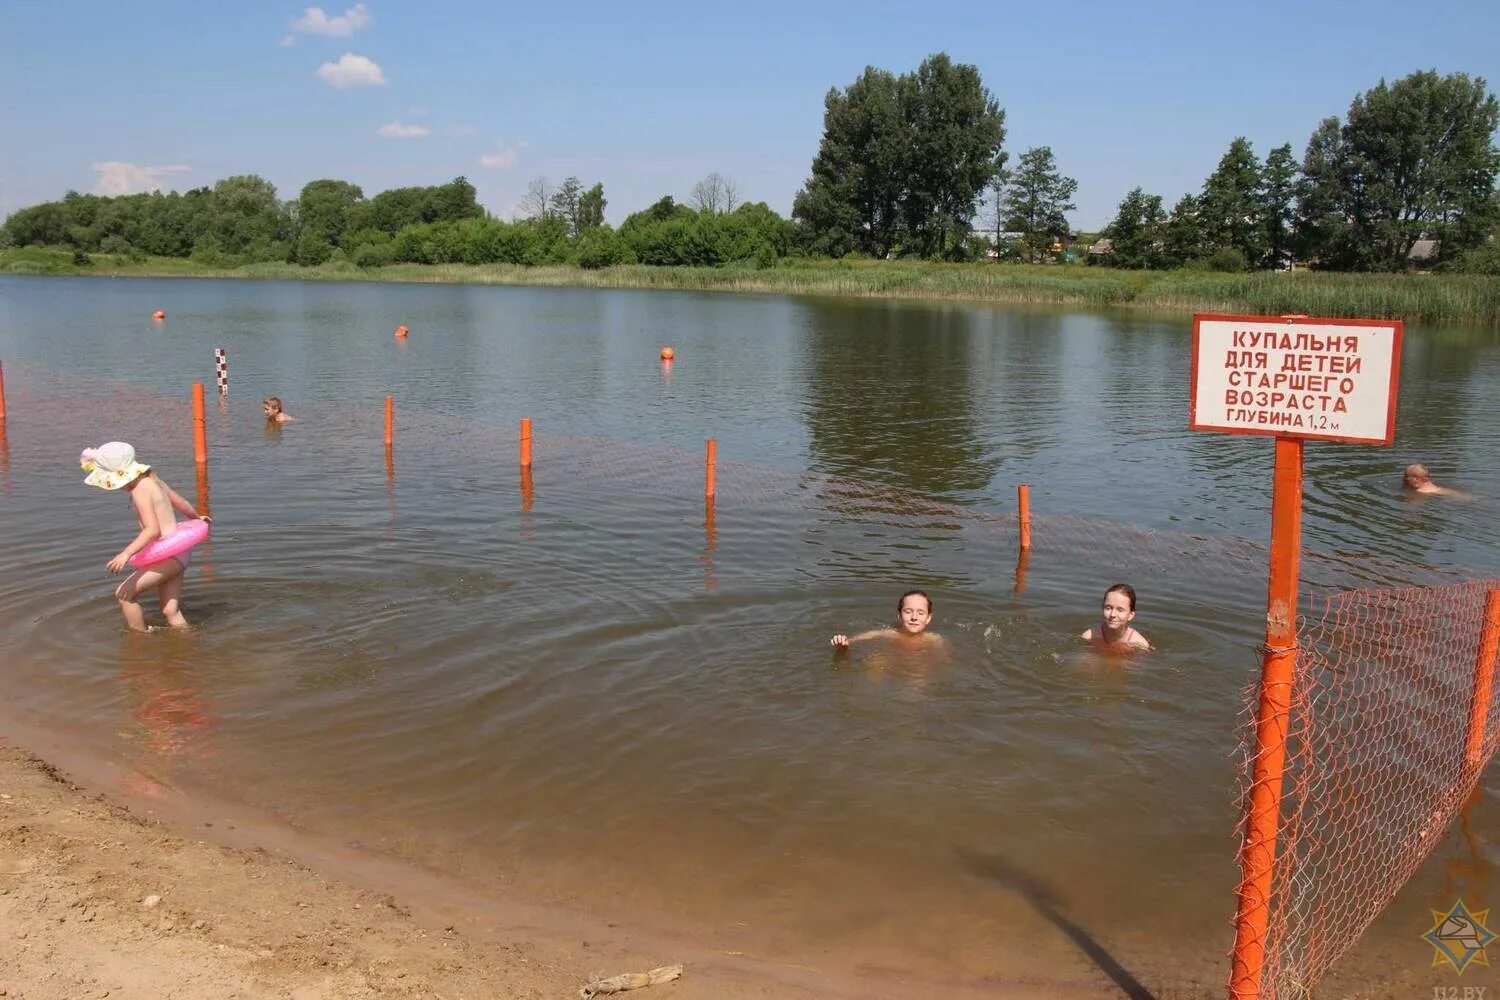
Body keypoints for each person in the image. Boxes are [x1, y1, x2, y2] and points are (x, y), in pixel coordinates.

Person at [80, 442, 210, 632]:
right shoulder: (155, 480)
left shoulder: (140, 489)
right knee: (170, 611)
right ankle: (189, 642)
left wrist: (126, 554)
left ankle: (140, 642)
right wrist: (197, 519)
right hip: (179, 552)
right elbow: (182, 503)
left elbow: (152, 530)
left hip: (167, 557)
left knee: (124, 595)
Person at [830, 590, 946, 650]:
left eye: (920, 613)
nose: (914, 617)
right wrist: (843, 644)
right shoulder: (888, 634)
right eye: (908, 611)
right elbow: (851, 642)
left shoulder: (935, 640)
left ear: (928, 618)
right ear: (899, 616)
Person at [1081, 583, 1152, 652]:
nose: (1112, 614)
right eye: (1108, 608)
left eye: (1120, 610)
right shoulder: (1088, 637)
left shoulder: (1140, 645)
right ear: (1102, 608)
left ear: (1131, 615)